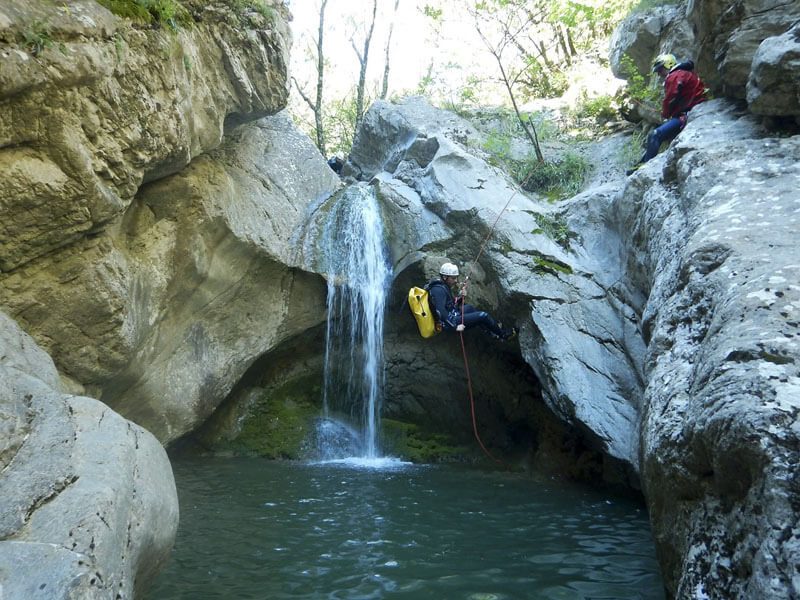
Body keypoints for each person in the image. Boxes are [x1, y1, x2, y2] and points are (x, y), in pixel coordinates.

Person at [627, 53, 708, 175]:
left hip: (685, 116)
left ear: (668, 65)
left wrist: (665, 113)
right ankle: (639, 165)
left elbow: (670, 98)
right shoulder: (686, 73)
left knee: (654, 135)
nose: (659, 74)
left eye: (660, 70)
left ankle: (646, 170)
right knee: (658, 136)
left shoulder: (674, 76)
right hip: (691, 113)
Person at [427, 262, 517, 340]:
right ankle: (504, 334)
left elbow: (450, 306)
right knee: (483, 316)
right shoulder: (438, 290)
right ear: (444, 277)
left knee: (470, 308)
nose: (456, 281)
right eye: (453, 278)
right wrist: (455, 327)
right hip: (449, 323)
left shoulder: (443, 286)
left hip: (451, 316)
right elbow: (440, 311)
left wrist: (460, 297)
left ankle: (493, 333)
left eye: (456, 278)